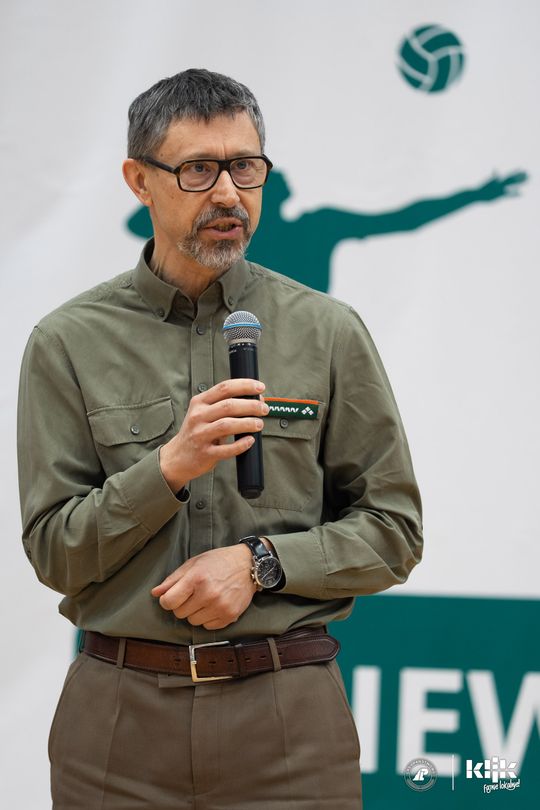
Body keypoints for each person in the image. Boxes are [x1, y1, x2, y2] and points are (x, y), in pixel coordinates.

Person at [17, 68, 423, 810]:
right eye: (199, 170)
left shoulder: (329, 331)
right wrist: (168, 468)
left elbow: (393, 531)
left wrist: (262, 563)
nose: (230, 194)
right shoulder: (67, 342)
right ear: (139, 181)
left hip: (288, 722)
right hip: (117, 727)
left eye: (246, 167)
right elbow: (54, 551)